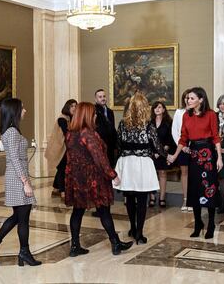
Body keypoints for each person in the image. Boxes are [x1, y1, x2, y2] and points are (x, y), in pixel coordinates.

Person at [64, 102, 133, 256]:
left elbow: (70, 157)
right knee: (104, 211)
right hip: (93, 178)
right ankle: (115, 244)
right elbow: (99, 158)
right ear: (88, 115)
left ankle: (74, 246)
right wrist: (112, 175)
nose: (95, 116)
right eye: (94, 114)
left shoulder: (70, 134)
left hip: (76, 178)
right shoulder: (88, 134)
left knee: (77, 212)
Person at [0, 98, 41, 266]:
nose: (25, 110)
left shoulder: (11, 130)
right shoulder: (12, 132)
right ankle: (24, 252)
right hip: (17, 178)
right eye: (22, 108)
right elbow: (14, 159)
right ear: (15, 111)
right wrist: (25, 182)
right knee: (23, 218)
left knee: (19, 216)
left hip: (16, 176)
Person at [168, 87, 223, 239]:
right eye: (188, 98)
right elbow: (183, 138)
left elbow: (216, 137)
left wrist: (219, 157)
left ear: (201, 99)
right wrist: (175, 155)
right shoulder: (186, 115)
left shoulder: (211, 114)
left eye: (192, 98)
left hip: (208, 155)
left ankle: (211, 223)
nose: (188, 100)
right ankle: (198, 223)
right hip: (193, 155)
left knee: (209, 188)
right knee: (195, 189)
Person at [113, 92, 168, 244]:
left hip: (127, 163)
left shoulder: (123, 124)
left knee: (129, 198)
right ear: (145, 107)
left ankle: (132, 227)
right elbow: (157, 146)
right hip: (143, 164)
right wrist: (167, 156)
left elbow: (117, 145)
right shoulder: (148, 125)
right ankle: (139, 233)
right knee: (142, 199)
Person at [149, 101, 176, 207]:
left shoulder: (169, 122)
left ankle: (162, 197)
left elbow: (170, 138)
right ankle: (152, 197)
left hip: (164, 153)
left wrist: (163, 151)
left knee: (163, 173)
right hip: (151, 153)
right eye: (155, 107)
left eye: (159, 107)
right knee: (151, 175)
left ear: (164, 109)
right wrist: (153, 152)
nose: (157, 109)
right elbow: (148, 139)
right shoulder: (149, 123)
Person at [49, 99, 77, 198]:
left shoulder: (71, 118)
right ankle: (63, 192)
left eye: (75, 106)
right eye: (72, 106)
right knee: (62, 168)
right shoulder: (62, 119)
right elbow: (67, 133)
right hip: (60, 148)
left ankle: (55, 188)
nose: (74, 108)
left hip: (66, 147)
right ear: (67, 107)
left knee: (61, 168)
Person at [172, 89, 192, 212]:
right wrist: (183, 146)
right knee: (184, 173)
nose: (187, 99)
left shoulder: (197, 112)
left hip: (195, 146)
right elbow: (175, 131)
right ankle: (186, 200)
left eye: (190, 97)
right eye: (185, 97)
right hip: (182, 147)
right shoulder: (179, 112)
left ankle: (194, 200)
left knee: (194, 174)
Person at [94, 89, 117, 167]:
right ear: (96, 99)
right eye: (100, 97)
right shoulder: (94, 111)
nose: (103, 98)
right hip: (99, 144)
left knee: (110, 166)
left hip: (110, 145)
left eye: (104, 96)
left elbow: (112, 127)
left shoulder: (110, 111)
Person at [217, 94, 224, 213]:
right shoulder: (217, 117)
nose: (222, 106)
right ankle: (221, 205)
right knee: (221, 179)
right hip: (220, 153)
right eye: (220, 103)